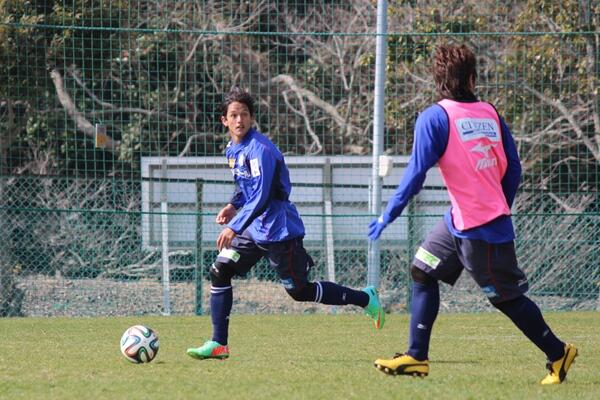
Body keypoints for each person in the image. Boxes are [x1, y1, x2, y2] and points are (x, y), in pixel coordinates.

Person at [368, 44, 577, 384]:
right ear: (472, 78)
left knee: (506, 299)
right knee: (422, 270)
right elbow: (514, 169)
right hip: (461, 222)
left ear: (436, 79)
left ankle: (558, 353)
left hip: (481, 229)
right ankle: (416, 357)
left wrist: (387, 215)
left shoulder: (434, 117)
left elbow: (416, 174)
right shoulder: (489, 112)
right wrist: (498, 203)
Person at [187, 87, 384, 360]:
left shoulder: (261, 150)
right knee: (220, 269)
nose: (239, 120)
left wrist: (234, 226)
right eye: (233, 115)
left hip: (279, 231)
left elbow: (263, 194)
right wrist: (233, 205)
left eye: (244, 114)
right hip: (254, 230)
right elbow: (246, 187)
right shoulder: (232, 150)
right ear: (224, 120)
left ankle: (365, 299)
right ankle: (218, 343)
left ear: (252, 118)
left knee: (299, 292)